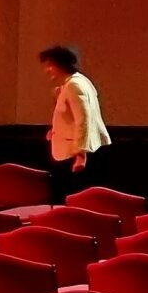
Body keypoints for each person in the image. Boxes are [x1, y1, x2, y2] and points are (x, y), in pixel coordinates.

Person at [40, 43, 111, 200]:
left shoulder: (74, 85)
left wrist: (81, 155)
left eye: (50, 65)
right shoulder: (75, 83)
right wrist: (55, 130)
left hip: (73, 155)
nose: (48, 70)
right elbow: (70, 117)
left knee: (74, 200)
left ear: (61, 64)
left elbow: (83, 120)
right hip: (71, 151)